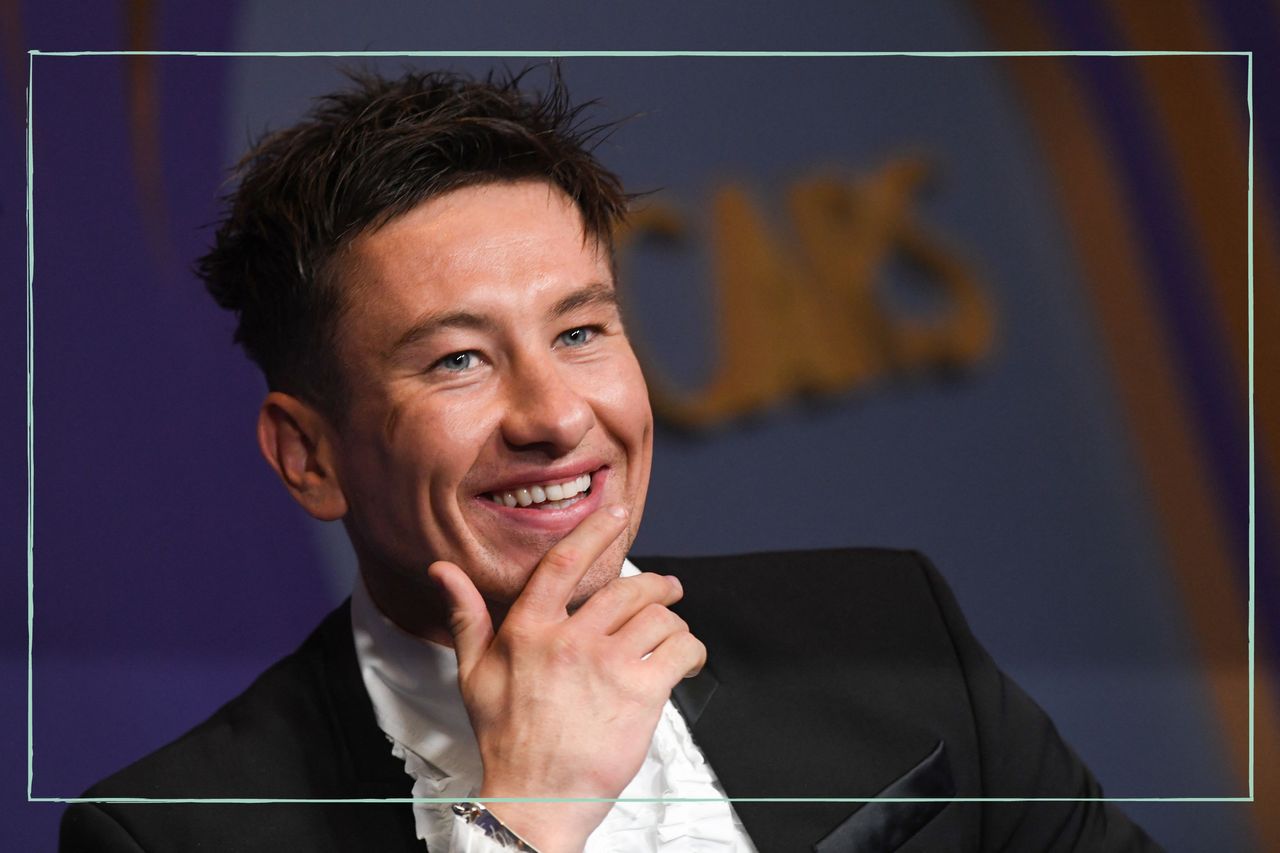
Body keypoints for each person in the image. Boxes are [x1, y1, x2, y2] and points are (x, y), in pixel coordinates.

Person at [60, 67, 1160, 852]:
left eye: (581, 332)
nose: (553, 414)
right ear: (308, 456)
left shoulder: (887, 627)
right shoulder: (173, 830)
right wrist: (526, 814)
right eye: (455, 360)